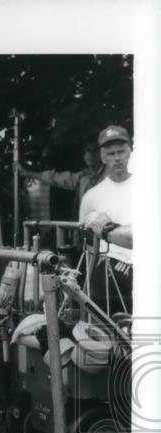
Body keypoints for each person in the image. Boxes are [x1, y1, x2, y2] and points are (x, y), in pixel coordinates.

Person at [79, 125, 133, 312]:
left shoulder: (149, 186)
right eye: (111, 154)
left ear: (130, 151)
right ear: (102, 157)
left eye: (121, 151)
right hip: (110, 274)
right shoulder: (91, 196)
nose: (117, 158)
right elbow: (87, 245)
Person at [20, 140, 104, 218]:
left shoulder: (108, 175)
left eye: (95, 150)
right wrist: (26, 173)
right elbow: (57, 178)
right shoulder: (82, 176)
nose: (91, 154)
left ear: (102, 153)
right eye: (88, 150)